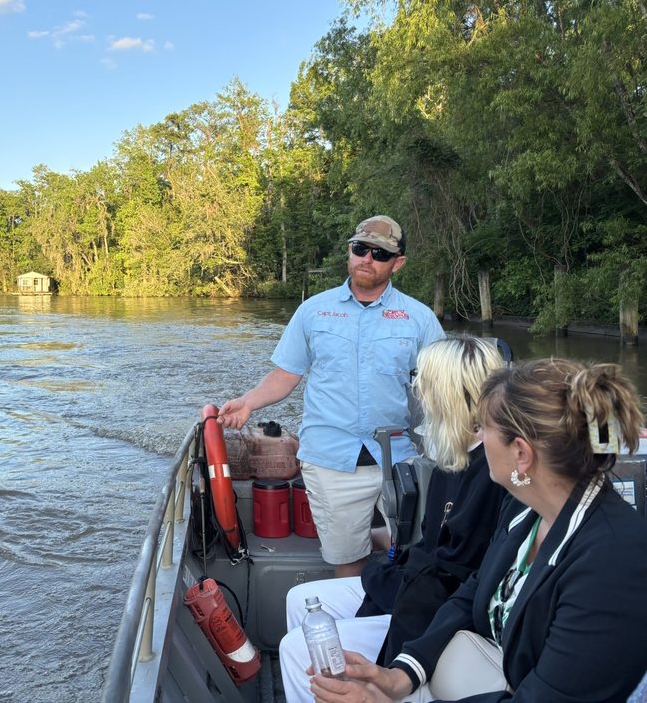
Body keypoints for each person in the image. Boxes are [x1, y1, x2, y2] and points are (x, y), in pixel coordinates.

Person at [308, 358, 647, 703]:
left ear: (521, 453)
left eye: (484, 428)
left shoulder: (613, 562)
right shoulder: (527, 512)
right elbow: (473, 591)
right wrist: (401, 674)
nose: (479, 437)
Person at [278, 335, 507, 703]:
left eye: (422, 383)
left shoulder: (495, 474)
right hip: (419, 587)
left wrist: (376, 574)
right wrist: (382, 567)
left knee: (297, 649)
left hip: (436, 611)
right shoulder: (455, 460)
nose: (417, 392)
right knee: (301, 598)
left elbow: (451, 578)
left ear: (445, 393)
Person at [219, 215, 444, 577]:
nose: (367, 259)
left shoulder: (419, 319)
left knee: (417, 556)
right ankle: (355, 624)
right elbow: (286, 374)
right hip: (329, 460)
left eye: (380, 254)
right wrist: (247, 402)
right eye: (360, 249)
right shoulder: (313, 311)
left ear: (397, 263)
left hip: (401, 460)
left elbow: (442, 387)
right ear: (349, 252)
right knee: (346, 560)